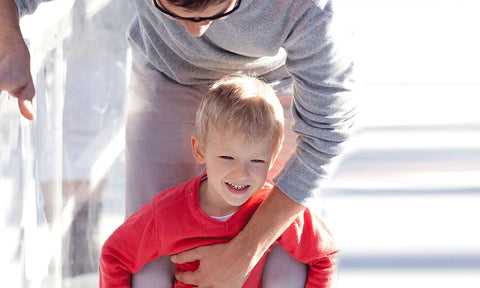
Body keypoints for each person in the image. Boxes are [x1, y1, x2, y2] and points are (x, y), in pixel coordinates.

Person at [2, 0, 356, 287]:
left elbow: (327, 134)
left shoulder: (309, 10)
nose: (195, 30)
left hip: (271, 88)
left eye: (215, 11)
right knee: (151, 247)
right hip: (169, 75)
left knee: (285, 251)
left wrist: (245, 252)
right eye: (174, 10)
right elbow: (120, 255)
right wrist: (8, 38)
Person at [100, 74, 338, 288]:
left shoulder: (275, 210)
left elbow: (326, 256)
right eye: (227, 157)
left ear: (273, 157)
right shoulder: (168, 214)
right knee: (147, 275)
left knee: (291, 271)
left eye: (256, 160)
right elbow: (114, 255)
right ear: (200, 150)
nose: (241, 173)